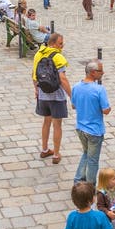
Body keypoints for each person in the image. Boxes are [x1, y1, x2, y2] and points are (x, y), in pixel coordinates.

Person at [33, 33, 71, 163]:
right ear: (54, 44)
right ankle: (56, 154)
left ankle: (44, 150)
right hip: (57, 96)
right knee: (57, 125)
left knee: (46, 122)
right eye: (60, 44)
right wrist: (72, 96)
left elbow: (34, 75)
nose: (62, 46)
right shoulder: (58, 57)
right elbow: (63, 79)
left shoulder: (38, 54)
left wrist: (36, 90)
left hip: (43, 94)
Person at [71, 60, 110, 184]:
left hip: (80, 128)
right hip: (94, 131)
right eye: (100, 71)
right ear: (93, 73)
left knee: (86, 153)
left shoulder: (76, 87)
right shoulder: (99, 90)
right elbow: (106, 110)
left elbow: (73, 105)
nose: (103, 73)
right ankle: (90, 186)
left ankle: (78, 179)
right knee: (93, 160)